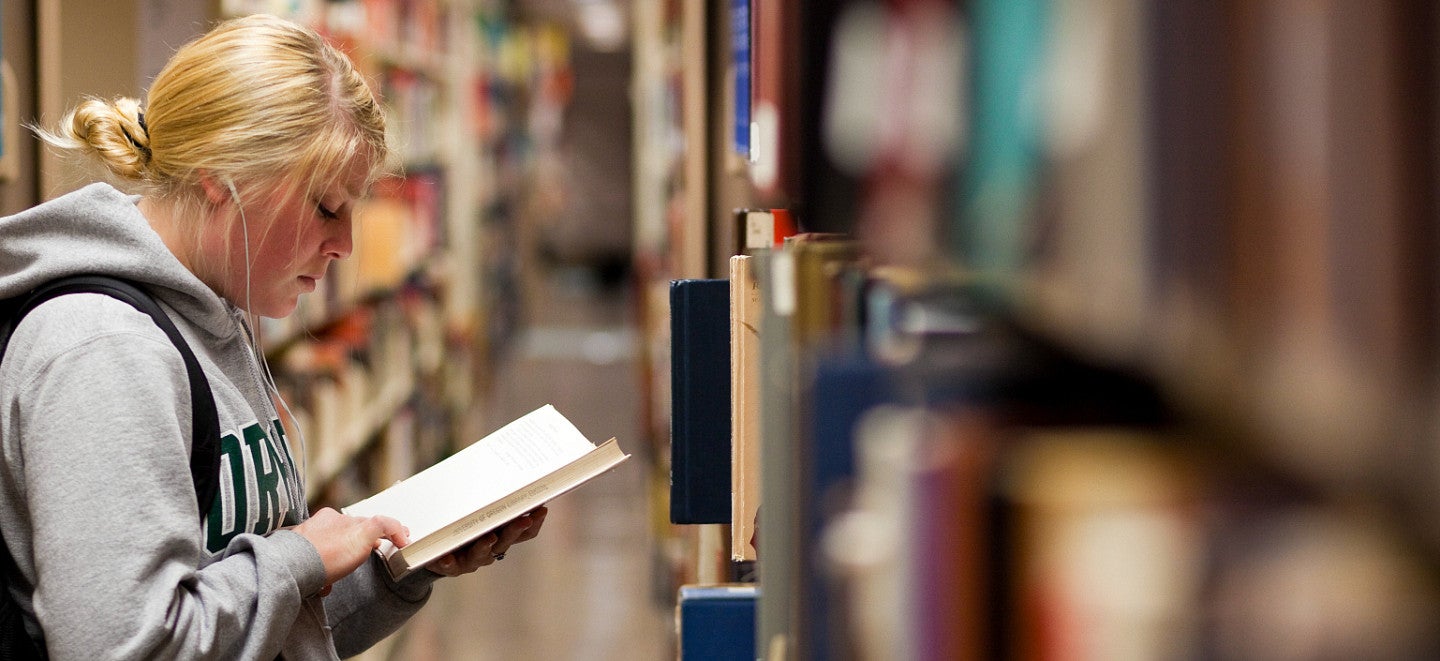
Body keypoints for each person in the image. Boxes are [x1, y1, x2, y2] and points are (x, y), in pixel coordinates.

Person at [0, 13, 545, 659]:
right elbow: (125, 646)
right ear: (219, 173)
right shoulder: (104, 351)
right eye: (325, 206)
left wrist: (403, 562)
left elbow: (262, 623)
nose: (345, 245)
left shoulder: (219, 314)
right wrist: (297, 557)